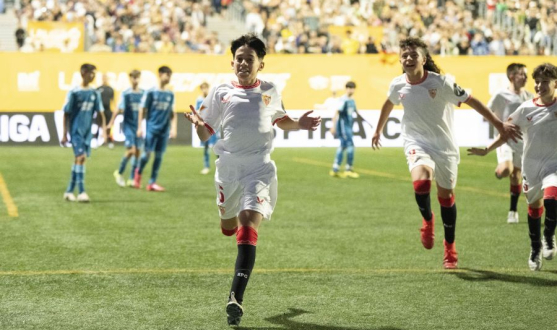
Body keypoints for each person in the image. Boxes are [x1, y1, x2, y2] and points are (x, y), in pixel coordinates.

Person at [184, 34, 321, 326]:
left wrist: (300, 123)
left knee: (248, 223)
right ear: (232, 62)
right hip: (229, 170)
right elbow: (206, 132)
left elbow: (280, 120)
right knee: (228, 226)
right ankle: (228, 222)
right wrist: (198, 127)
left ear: (261, 64)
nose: (243, 63)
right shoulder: (221, 91)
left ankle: (235, 297)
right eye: (239, 58)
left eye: (250, 59)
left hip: (259, 168)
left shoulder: (270, 90)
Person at [371, 37, 520, 269]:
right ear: (400, 60)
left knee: (446, 198)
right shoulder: (397, 84)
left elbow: (472, 101)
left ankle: (450, 247)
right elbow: (389, 103)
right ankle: (428, 220)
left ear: (423, 58)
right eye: (404, 56)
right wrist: (378, 130)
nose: (408, 59)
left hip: (445, 147)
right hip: (416, 141)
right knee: (421, 183)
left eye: (413, 55)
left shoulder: (441, 83)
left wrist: (499, 124)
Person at [468, 63, 557, 271]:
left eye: (545, 82)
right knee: (535, 208)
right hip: (531, 167)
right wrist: (487, 149)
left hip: (554, 166)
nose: (539, 86)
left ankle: (548, 237)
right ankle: (535, 248)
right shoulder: (526, 108)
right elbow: (506, 132)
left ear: (555, 83)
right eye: (537, 82)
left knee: (552, 198)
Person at [486, 63, 533, 223]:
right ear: (512, 76)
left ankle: (512, 211)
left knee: (516, 176)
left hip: (522, 142)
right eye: (522, 74)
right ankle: (499, 172)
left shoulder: (529, 97)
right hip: (505, 140)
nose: (526, 77)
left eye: (526, 75)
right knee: (507, 170)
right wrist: (497, 126)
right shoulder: (501, 95)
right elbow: (488, 111)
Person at [62, 63, 106, 203]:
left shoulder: (94, 93)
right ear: (83, 73)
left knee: (80, 159)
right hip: (76, 131)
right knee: (80, 157)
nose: (92, 76)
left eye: (94, 73)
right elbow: (66, 113)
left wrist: (103, 131)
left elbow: (100, 113)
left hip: (87, 132)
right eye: (90, 73)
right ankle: (81, 192)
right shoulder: (74, 92)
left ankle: (69, 191)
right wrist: (64, 133)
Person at [133, 66, 177, 192]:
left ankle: (152, 182)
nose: (168, 77)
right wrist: (140, 127)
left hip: (164, 130)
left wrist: (173, 128)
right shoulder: (151, 92)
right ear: (160, 74)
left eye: (170, 75)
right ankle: (138, 172)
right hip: (152, 128)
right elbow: (142, 109)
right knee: (146, 155)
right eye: (166, 74)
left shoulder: (170, 94)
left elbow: (172, 113)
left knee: (159, 156)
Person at [111, 70, 145, 187]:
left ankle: (131, 179)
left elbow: (146, 109)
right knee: (132, 150)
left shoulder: (143, 93)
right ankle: (119, 172)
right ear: (130, 79)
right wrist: (111, 123)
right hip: (129, 126)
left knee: (137, 153)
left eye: (137, 78)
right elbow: (119, 108)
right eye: (133, 78)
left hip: (139, 127)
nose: (135, 80)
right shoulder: (126, 94)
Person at [329, 81, 363, 179]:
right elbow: (337, 112)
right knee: (350, 145)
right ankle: (348, 169)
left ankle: (335, 169)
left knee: (343, 146)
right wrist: (333, 126)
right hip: (344, 126)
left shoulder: (352, 100)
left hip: (349, 126)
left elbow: (355, 111)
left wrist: (361, 118)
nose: (350, 90)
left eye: (352, 88)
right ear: (346, 89)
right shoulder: (343, 100)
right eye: (348, 88)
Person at [196, 82, 218, 175]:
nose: (204, 90)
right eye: (202, 88)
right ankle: (206, 166)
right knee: (205, 147)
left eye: (206, 88)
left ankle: (220, 165)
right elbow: (197, 111)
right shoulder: (199, 100)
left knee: (217, 146)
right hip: (203, 126)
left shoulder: (212, 98)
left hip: (213, 125)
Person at [97, 73, 115, 148]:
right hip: (100, 111)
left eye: (106, 78)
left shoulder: (110, 89)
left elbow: (113, 100)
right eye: (103, 77)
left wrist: (115, 109)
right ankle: (99, 140)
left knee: (108, 126)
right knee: (99, 125)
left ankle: (109, 140)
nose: (105, 79)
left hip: (108, 110)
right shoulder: (98, 89)